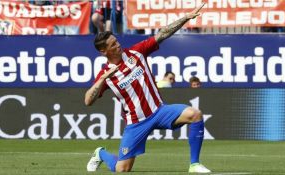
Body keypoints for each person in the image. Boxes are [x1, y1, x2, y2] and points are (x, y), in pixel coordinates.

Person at [84, 3, 211, 173]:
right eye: (113, 45)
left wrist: (186, 18)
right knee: (122, 169)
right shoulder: (105, 75)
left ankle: (194, 164)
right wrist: (102, 80)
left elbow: (162, 34)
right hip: (136, 123)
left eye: (116, 41)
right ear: (103, 51)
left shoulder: (136, 52)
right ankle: (100, 153)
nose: (118, 45)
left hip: (159, 111)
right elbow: (88, 101)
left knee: (195, 114)